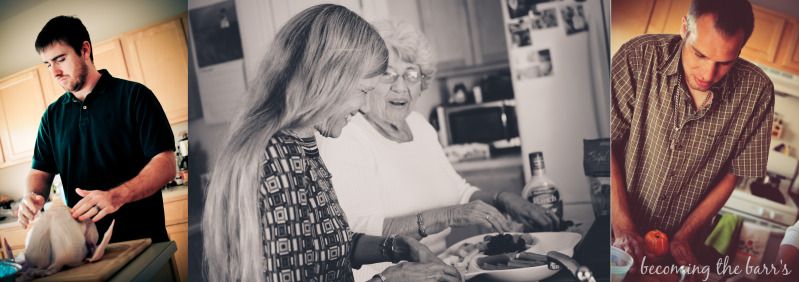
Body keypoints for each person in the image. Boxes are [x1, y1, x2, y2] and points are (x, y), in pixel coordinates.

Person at [202, 5, 460, 282]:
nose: (362, 105)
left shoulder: (304, 141)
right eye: (363, 91)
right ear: (330, 80)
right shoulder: (274, 162)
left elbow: (329, 243)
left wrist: (396, 247)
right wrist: (388, 280)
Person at [317, 20, 560, 280]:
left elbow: (458, 191)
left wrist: (503, 199)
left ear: (422, 83)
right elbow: (355, 231)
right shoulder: (347, 133)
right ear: (367, 82)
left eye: (411, 74)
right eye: (387, 73)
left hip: (443, 270)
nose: (401, 87)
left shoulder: (418, 125)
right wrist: (446, 216)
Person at [611, 0, 773, 268]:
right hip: (616, 235)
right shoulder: (638, 58)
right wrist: (622, 226)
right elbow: (609, 143)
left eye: (725, 62)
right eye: (700, 55)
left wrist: (683, 237)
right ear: (685, 27)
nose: (709, 74)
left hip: (682, 252)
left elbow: (734, 173)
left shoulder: (757, 92)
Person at [17, 15, 176, 243]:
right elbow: (39, 173)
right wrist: (31, 197)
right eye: (48, 64)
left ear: (84, 50)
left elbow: (166, 164)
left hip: (144, 242)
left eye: (60, 59)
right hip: (84, 249)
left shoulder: (134, 97)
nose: (54, 72)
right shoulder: (51, 117)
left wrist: (117, 196)